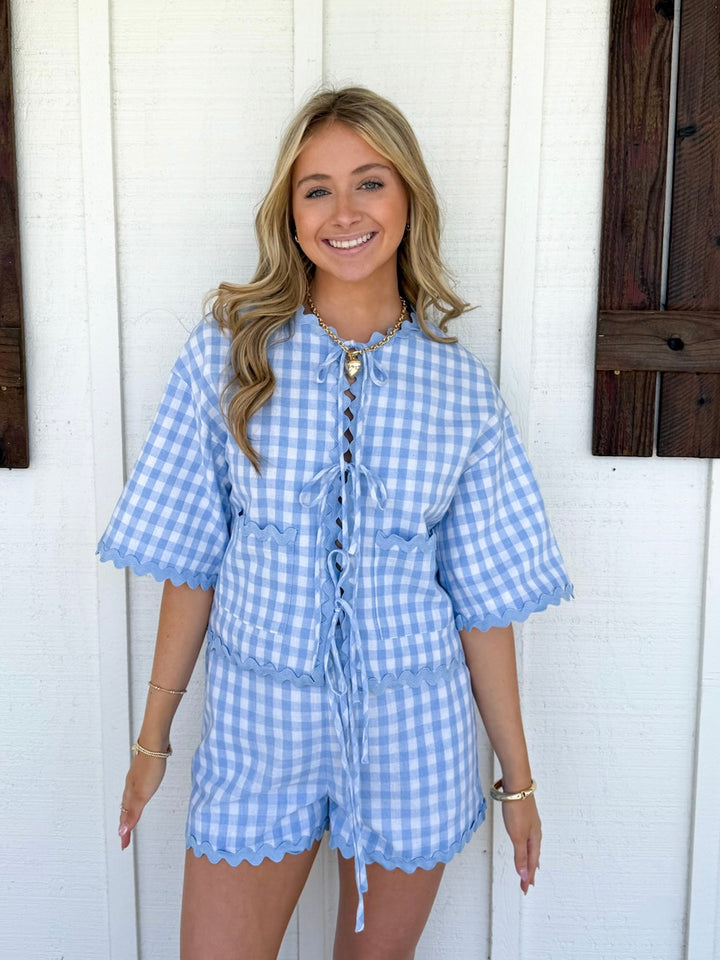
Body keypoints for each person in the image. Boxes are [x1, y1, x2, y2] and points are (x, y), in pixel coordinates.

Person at [98, 86, 572, 960]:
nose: (344, 212)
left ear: (409, 198)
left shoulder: (460, 393)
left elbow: (484, 603)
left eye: (370, 183)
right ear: (290, 212)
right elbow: (191, 563)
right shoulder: (230, 356)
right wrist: (151, 739)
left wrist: (519, 781)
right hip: (257, 730)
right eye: (317, 189)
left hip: (413, 732)